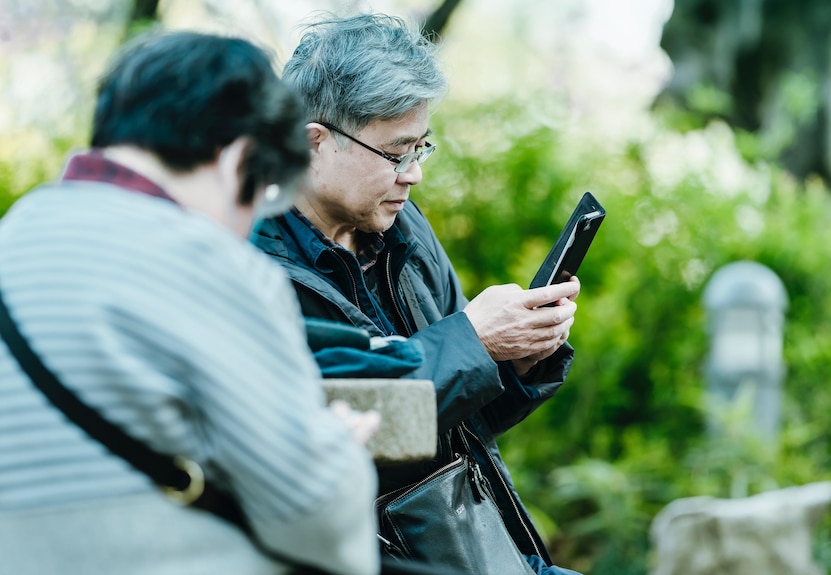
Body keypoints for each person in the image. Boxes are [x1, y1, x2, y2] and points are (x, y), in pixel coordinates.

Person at [0, 31, 381, 575]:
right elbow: (313, 515)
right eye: (263, 195)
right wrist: (339, 455)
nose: (250, 222)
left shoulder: (13, 237)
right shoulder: (213, 264)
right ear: (240, 159)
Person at [252, 13, 583, 575]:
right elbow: (343, 441)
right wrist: (473, 341)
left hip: (482, 543)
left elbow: (458, 420)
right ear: (314, 143)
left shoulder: (404, 230)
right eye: (396, 153)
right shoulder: (254, 272)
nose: (414, 175)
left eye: (422, 148)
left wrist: (515, 363)